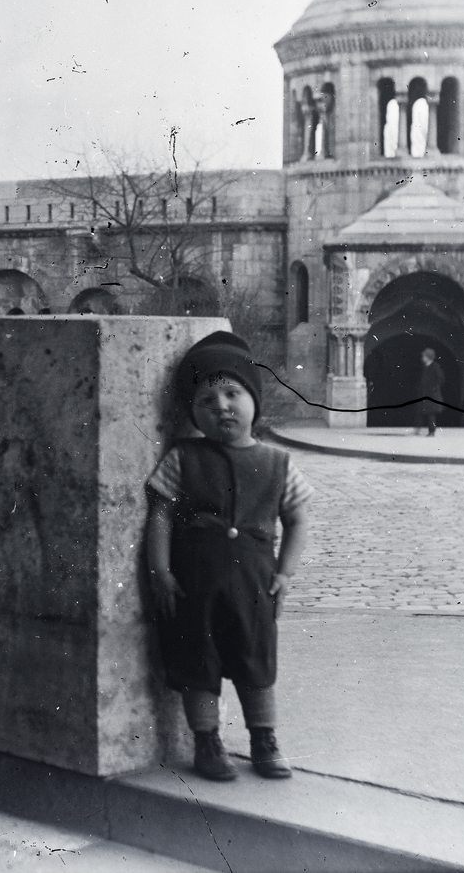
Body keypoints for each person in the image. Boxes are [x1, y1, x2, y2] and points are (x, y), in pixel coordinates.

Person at [147, 331, 313, 781]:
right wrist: (160, 569)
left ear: (254, 401)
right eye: (206, 400)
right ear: (194, 413)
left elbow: (298, 518)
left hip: (254, 586)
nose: (221, 406)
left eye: (232, 394)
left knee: (255, 661)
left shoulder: (279, 463)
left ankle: (265, 740)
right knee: (197, 663)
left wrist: (285, 574)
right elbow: (160, 513)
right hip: (193, 584)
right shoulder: (184, 458)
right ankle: (207, 743)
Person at [417, 346, 445, 436]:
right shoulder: (426, 367)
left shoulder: (435, 366)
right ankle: (427, 430)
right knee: (427, 413)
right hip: (427, 394)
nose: (422, 358)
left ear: (428, 357)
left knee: (431, 414)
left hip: (433, 394)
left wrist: (434, 388)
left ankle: (432, 431)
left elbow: (441, 378)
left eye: (424, 356)